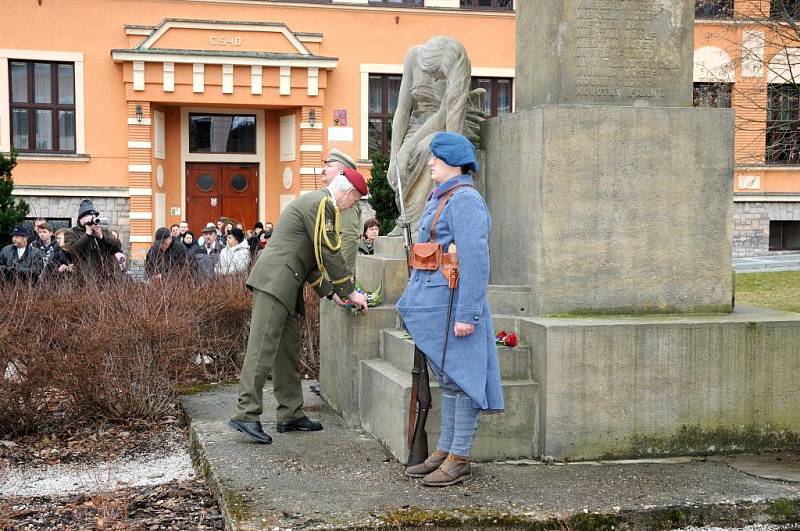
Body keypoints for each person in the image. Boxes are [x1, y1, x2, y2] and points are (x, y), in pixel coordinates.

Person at [228, 168, 369, 445]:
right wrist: (349, 292)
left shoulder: (317, 203)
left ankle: (290, 414)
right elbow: (330, 253)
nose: (352, 206)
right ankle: (246, 413)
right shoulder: (324, 204)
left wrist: (331, 294)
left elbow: (311, 260)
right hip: (275, 281)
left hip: (286, 283)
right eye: (355, 201)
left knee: (287, 350)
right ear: (349, 192)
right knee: (262, 348)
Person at [398, 132, 503, 487]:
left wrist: (467, 315)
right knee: (449, 381)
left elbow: (476, 262)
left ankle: (459, 457)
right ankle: (445, 449)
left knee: (463, 381)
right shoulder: (443, 197)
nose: (430, 163)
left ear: (456, 163)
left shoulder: (465, 201)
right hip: (438, 305)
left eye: (437, 159)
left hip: (456, 306)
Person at [322, 149, 362, 276]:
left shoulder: (346, 199)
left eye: (329, 165)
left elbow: (348, 237)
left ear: (341, 172)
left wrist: (342, 275)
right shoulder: (331, 196)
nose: (323, 169)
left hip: (334, 275)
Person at [63, 199, 122, 281]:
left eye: (93, 215)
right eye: (87, 215)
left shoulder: (103, 231)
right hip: (87, 281)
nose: (92, 217)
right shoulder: (71, 233)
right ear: (81, 219)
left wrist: (102, 237)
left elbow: (117, 248)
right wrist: (87, 235)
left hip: (110, 278)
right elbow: (73, 252)